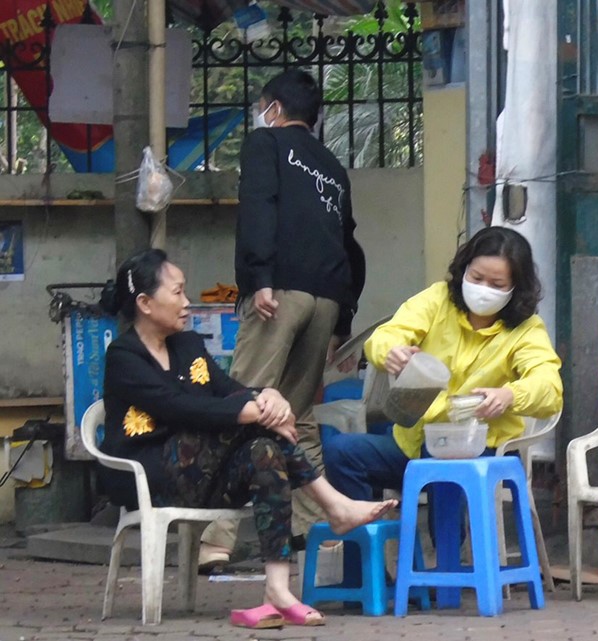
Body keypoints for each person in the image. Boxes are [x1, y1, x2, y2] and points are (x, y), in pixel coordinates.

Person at [98, 249, 395, 628]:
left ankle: (277, 589)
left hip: (201, 474)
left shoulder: (187, 345)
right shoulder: (124, 356)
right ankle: (334, 504)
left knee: (264, 450)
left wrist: (264, 397)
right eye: (177, 292)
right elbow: (179, 408)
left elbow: (226, 389)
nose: (187, 302)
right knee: (257, 425)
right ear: (145, 303)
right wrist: (255, 412)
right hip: (149, 475)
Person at [199, 68, 366, 569]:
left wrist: (259, 277)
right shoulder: (333, 166)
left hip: (281, 290)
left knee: (241, 402)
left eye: (261, 106)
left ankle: (215, 538)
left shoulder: (265, 144)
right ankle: (314, 528)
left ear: (273, 108)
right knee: (299, 413)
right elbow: (349, 245)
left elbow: (259, 208)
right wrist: (343, 317)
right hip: (327, 299)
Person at [323, 227, 563, 509]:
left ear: (515, 288)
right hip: (412, 443)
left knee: (443, 462)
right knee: (341, 452)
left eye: (496, 285)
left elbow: (549, 388)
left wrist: (510, 396)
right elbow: (387, 335)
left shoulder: (526, 329)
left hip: (477, 450)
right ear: (464, 270)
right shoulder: (439, 300)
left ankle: (450, 553)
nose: (484, 289)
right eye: (477, 278)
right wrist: (391, 352)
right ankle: (368, 540)